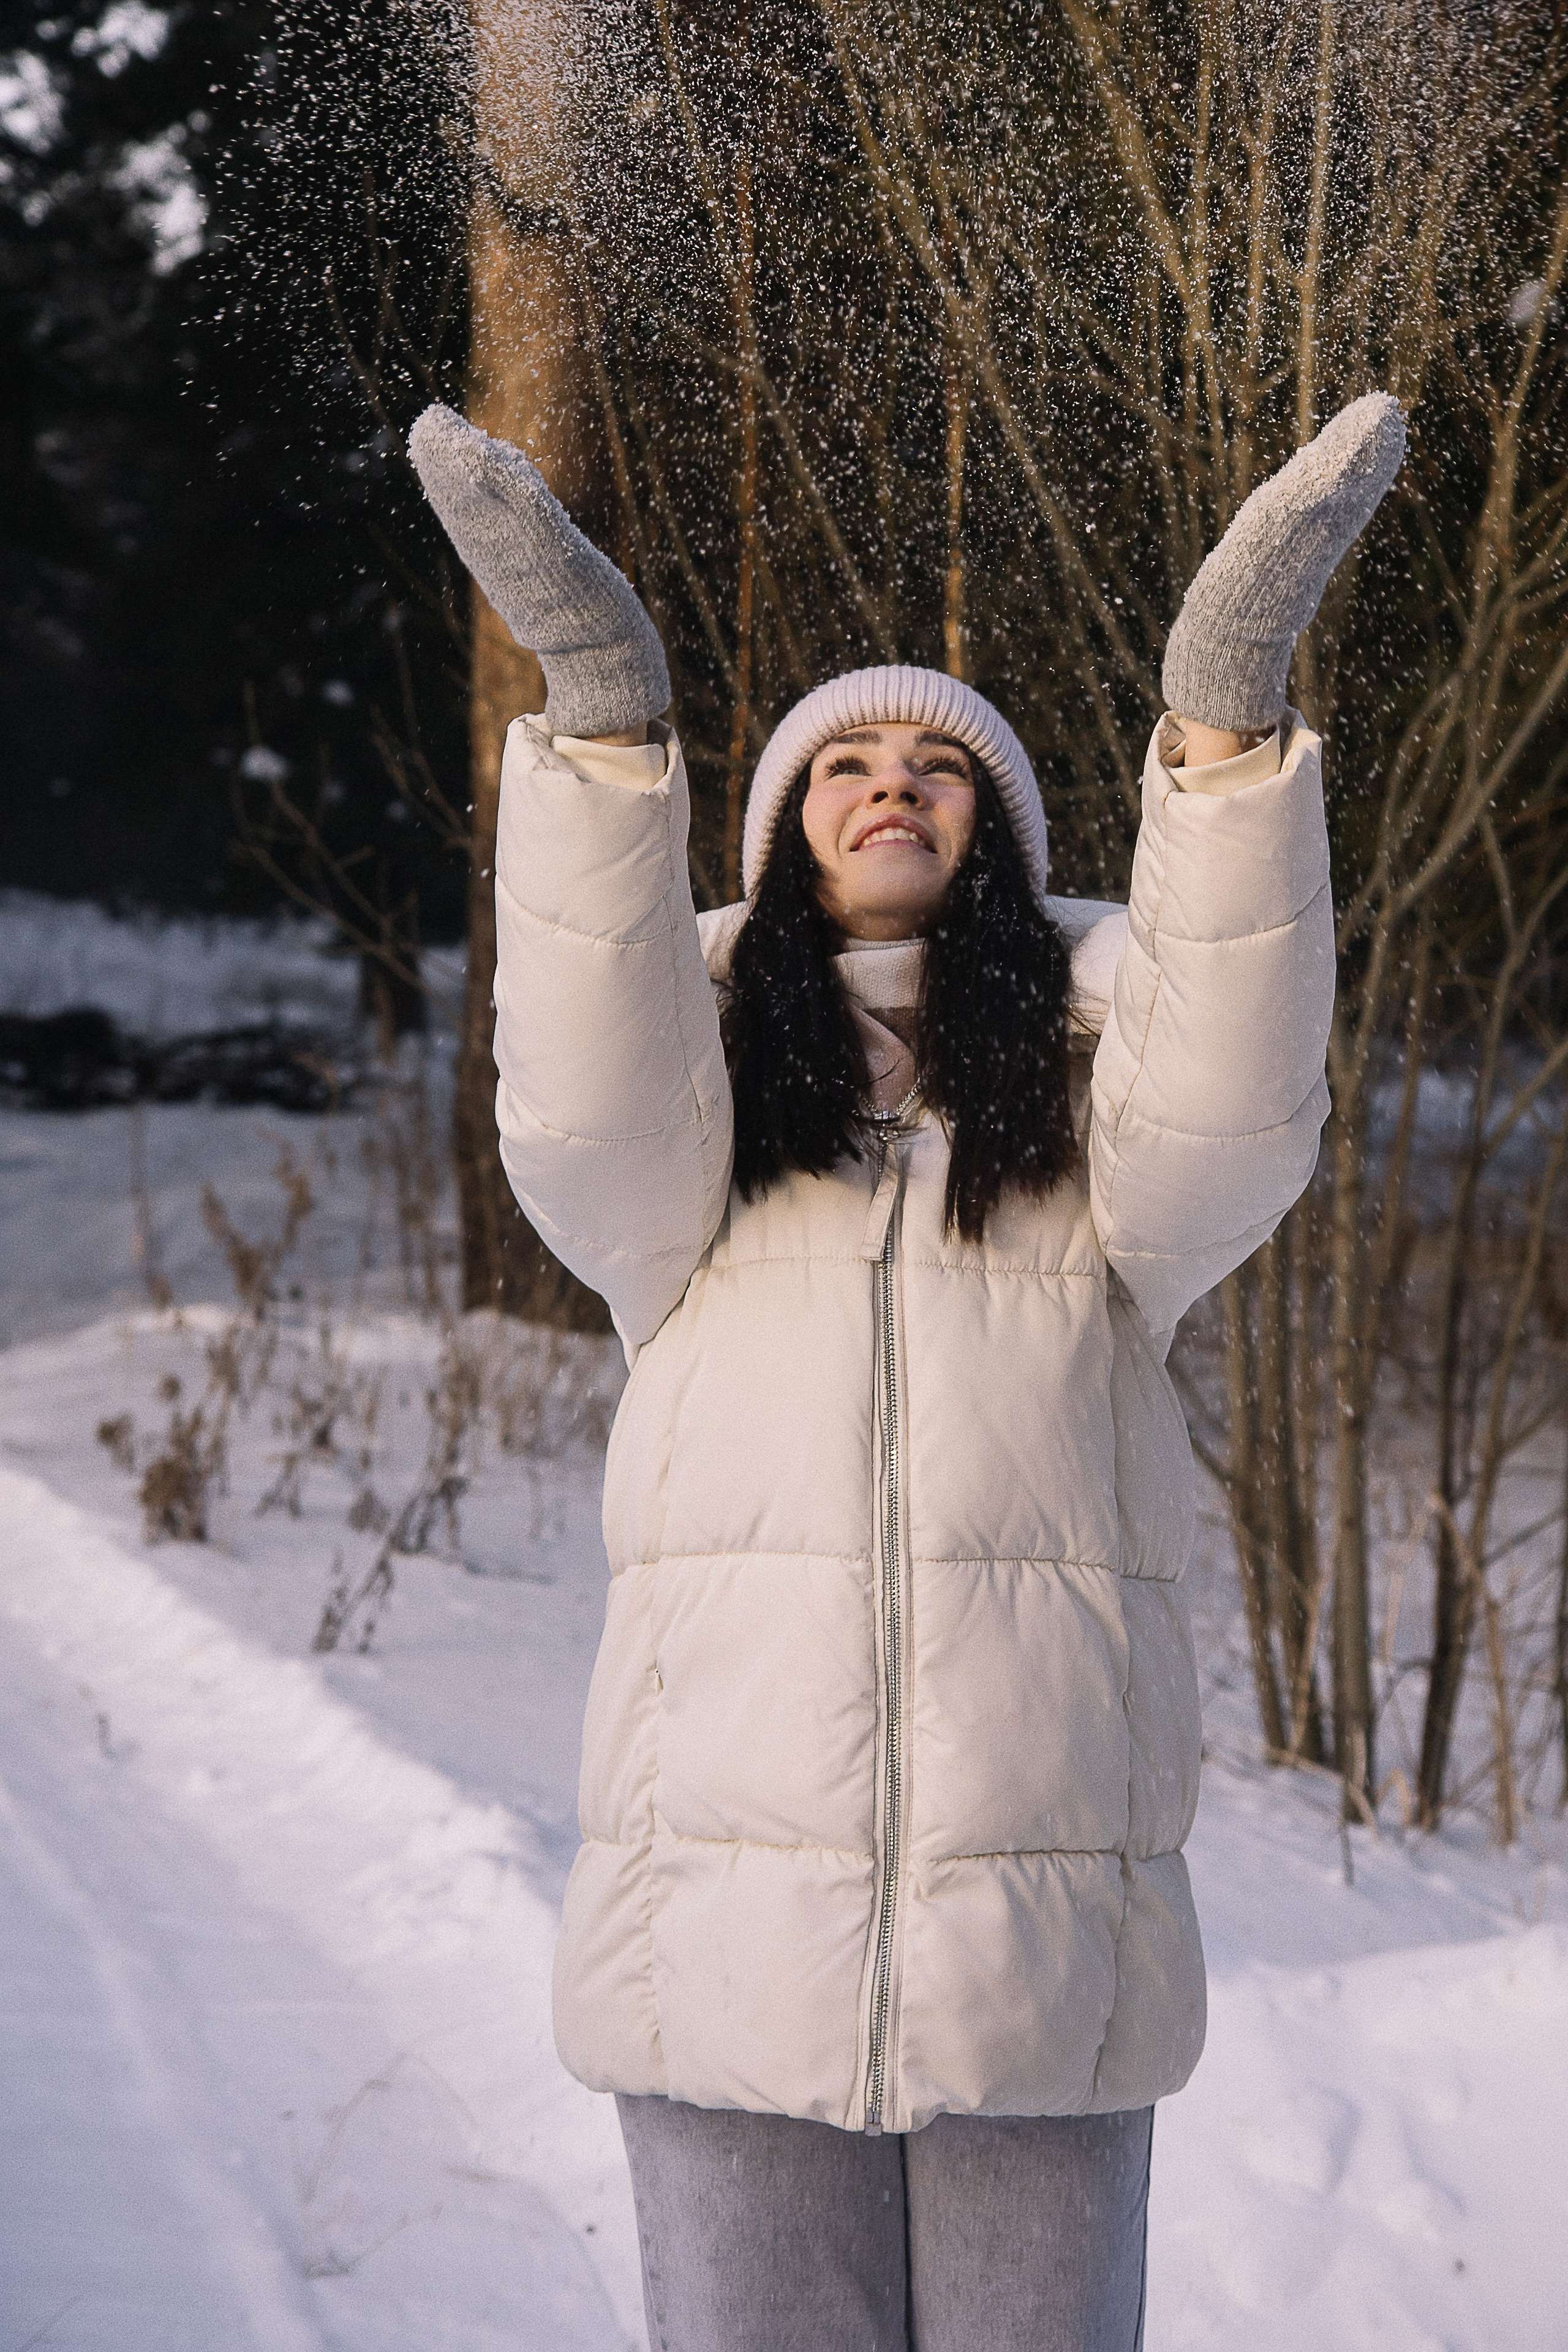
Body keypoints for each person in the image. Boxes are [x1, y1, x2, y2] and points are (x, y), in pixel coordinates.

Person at [410, 390, 1406, 2352]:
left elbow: (1232, 1087)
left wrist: (1223, 721)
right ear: (783, 832)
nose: (893, 785)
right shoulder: (688, 1166)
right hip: (726, 1952)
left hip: (1040, 1965)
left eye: (940, 770)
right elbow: (587, 1081)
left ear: (1000, 843)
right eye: (844, 763)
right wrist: (605, 714)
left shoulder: (1099, 1166)